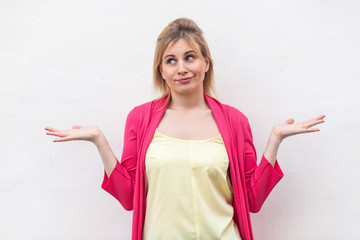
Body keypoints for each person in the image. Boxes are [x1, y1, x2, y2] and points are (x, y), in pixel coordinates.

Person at [45, 18, 325, 240]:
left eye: (190, 57)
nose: (181, 68)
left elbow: (252, 199)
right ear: (162, 71)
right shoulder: (140, 119)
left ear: (206, 63)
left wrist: (275, 140)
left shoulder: (235, 121)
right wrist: (99, 140)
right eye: (171, 60)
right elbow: (130, 197)